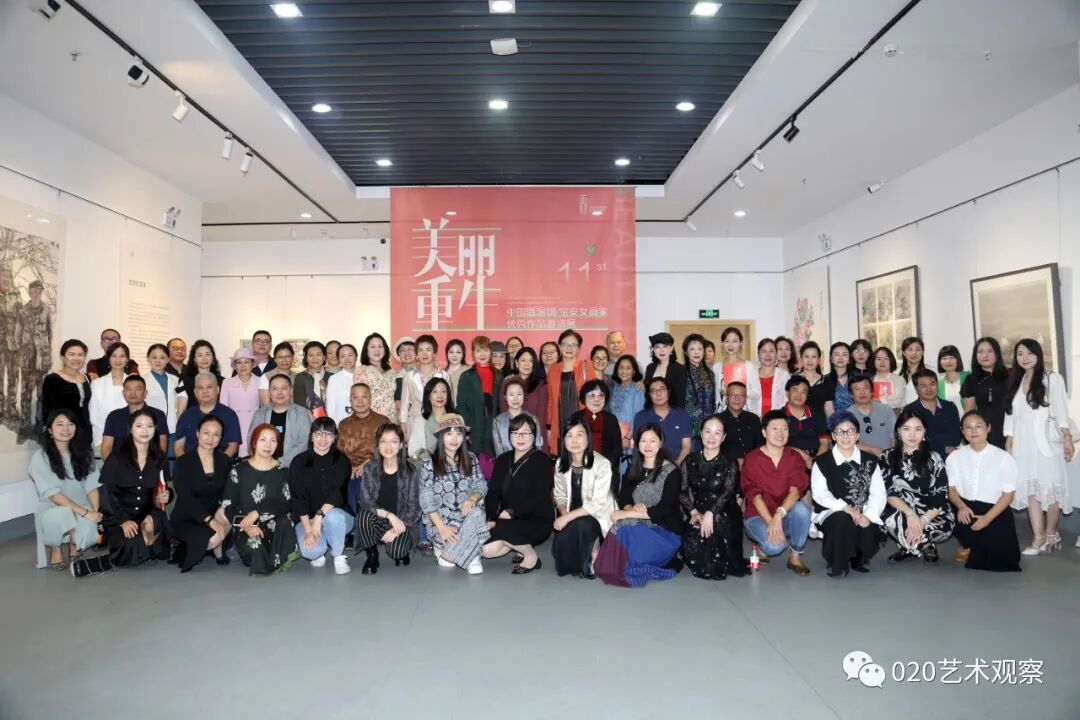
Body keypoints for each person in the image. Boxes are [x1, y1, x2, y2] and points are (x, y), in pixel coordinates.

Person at [1003, 339, 1074, 555]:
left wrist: (1067, 438)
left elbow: (1061, 411)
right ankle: (1038, 537)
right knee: (1031, 490)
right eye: (1020, 354)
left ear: (1038, 354)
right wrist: (1009, 441)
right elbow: (1011, 415)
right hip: (1023, 445)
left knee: (1051, 489)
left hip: (1046, 444)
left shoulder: (1052, 378)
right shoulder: (1016, 381)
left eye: (1029, 353)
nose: (1025, 358)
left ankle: (1051, 533)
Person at [596, 423, 683, 587]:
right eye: (643, 441)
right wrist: (630, 508)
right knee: (624, 525)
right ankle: (622, 562)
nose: (648, 445)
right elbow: (624, 497)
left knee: (625, 523)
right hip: (640, 525)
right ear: (637, 443)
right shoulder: (634, 467)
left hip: (665, 532)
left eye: (653, 441)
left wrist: (626, 514)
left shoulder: (672, 471)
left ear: (661, 442)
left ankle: (633, 562)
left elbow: (663, 509)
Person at [810, 411, 886, 577]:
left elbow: (878, 493)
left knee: (867, 534)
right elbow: (820, 494)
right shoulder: (822, 462)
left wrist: (869, 516)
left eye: (850, 431)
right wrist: (845, 507)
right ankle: (837, 562)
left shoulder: (870, 460)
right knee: (841, 521)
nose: (845, 436)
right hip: (833, 511)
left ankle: (858, 558)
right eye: (840, 431)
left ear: (857, 435)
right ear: (833, 436)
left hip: (863, 510)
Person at [947, 410, 1021, 571]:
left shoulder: (1004, 457)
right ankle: (967, 543)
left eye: (978, 426)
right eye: (968, 427)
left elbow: (1008, 495)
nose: (973, 431)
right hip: (966, 508)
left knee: (1002, 561)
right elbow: (951, 490)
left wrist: (987, 519)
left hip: (994, 510)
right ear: (962, 431)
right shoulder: (954, 457)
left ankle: (974, 545)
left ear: (988, 428)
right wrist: (961, 507)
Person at [740, 410, 812, 575]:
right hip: (758, 515)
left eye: (784, 429)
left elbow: (795, 492)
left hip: (784, 513)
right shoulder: (752, 459)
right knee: (774, 547)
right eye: (775, 428)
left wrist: (778, 516)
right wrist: (771, 521)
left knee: (802, 509)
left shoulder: (794, 457)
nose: (781, 433)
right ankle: (761, 546)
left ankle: (795, 558)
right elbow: (754, 496)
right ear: (764, 432)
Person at [29, 409, 101, 570]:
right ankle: (55, 549)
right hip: (53, 508)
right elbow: (54, 496)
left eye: (70, 424)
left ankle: (74, 545)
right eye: (59, 424)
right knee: (61, 515)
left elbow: (92, 486)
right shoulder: (40, 457)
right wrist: (85, 513)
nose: (66, 429)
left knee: (90, 531)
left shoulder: (84, 455)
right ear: (50, 430)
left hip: (82, 506)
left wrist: (95, 512)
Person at [879, 408, 954, 563]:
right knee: (887, 518)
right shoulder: (887, 456)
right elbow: (888, 493)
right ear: (898, 431)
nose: (912, 435)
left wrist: (922, 520)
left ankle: (908, 545)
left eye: (918, 429)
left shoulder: (934, 458)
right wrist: (911, 515)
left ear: (924, 432)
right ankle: (924, 545)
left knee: (943, 525)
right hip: (902, 512)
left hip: (932, 515)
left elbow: (941, 496)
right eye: (906, 429)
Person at [482, 414, 554, 573]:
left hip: (537, 518)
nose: (520, 437)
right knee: (487, 551)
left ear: (534, 436)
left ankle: (530, 557)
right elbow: (493, 492)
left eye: (526, 433)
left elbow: (539, 494)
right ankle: (520, 545)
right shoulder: (503, 459)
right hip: (507, 519)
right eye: (515, 433)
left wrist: (513, 511)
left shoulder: (542, 460)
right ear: (509, 436)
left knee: (501, 528)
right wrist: (490, 517)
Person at [223, 424, 299, 575]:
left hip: (275, 523)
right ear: (254, 443)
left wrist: (258, 512)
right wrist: (247, 526)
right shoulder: (238, 470)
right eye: (263, 440)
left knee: (285, 522)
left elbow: (286, 504)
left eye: (273, 441)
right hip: (246, 524)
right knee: (255, 548)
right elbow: (228, 505)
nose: (268, 445)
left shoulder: (283, 471)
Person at [99, 409, 171, 567]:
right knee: (129, 547)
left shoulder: (159, 459)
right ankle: (147, 545)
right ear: (131, 429)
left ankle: (147, 541)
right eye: (139, 426)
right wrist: (123, 520)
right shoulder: (116, 458)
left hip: (147, 513)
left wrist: (166, 495)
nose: (145, 430)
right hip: (119, 515)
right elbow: (106, 495)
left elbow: (164, 488)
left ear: (155, 429)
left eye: (150, 426)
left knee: (154, 522)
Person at [419, 414, 489, 574]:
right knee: (450, 552)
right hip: (441, 522)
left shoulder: (471, 458)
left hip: (465, 518)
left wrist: (473, 497)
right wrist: (442, 527)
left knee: (477, 512)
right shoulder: (429, 462)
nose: (454, 438)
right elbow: (426, 499)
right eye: (449, 433)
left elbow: (481, 484)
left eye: (458, 433)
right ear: (441, 436)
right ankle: (469, 552)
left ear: (464, 437)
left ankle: (460, 556)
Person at [680, 415, 748, 580]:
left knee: (717, 526)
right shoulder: (690, 460)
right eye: (708, 432)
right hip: (698, 510)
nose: (712, 437)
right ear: (701, 434)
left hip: (725, 510)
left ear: (723, 437)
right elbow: (682, 492)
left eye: (717, 433)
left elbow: (727, 493)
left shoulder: (729, 462)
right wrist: (693, 512)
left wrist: (711, 513)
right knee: (692, 549)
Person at [551, 416, 616, 578]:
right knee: (562, 548)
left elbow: (596, 504)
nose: (574, 441)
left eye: (579, 435)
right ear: (563, 440)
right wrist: (564, 514)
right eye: (569, 436)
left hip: (598, 514)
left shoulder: (602, 464)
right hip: (572, 512)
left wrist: (567, 518)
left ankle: (595, 553)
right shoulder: (560, 463)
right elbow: (560, 495)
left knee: (582, 525)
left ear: (588, 437)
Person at [354, 423, 423, 571]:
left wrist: (397, 528)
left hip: (402, 521)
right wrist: (389, 515)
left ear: (401, 445)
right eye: (383, 441)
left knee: (397, 553)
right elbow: (365, 501)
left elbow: (415, 508)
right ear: (378, 445)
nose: (388, 446)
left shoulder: (412, 471)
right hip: (379, 519)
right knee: (363, 516)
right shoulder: (370, 468)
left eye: (394, 441)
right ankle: (372, 555)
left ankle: (400, 545)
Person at [170, 415, 232, 573]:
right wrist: (209, 520)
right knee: (211, 538)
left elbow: (228, 492)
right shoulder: (183, 462)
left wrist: (220, 513)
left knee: (229, 512)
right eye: (206, 433)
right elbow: (185, 498)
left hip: (215, 515)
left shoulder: (224, 461)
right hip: (188, 517)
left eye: (216, 434)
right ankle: (186, 548)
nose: (211, 438)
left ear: (221, 438)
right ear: (197, 433)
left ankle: (217, 550)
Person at [290, 417, 353, 575]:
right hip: (308, 519)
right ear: (311, 437)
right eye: (318, 434)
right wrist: (308, 529)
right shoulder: (299, 462)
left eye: (328, 434)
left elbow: (336, 494)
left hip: (338, 517)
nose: (323, 439)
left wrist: (318, 518)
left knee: (332, 517)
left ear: (334, 438)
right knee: (311, 552)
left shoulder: (342, 460)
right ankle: (321, 548)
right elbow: (298, 498)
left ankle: (338, 555)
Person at [546, 329, 598, 451]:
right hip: (560, 424)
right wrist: (549, 427)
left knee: (581, 457)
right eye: (565, 344)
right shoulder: (553, 370)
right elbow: (551, 400)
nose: (569, 348)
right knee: (562, 458)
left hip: (582, 423)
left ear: (579, 348)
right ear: (560, 346)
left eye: (573, 345)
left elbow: (595, 398)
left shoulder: (586, 368)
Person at [399, 334, 449, 458]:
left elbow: (448, 402)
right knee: (416, 457)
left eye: (428, 349)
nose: (424, 353)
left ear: (435, 353)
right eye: (420, 350)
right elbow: (404, 404)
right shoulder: (409, 376)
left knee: (437, 456)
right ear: (417, 353)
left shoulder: (444, 375)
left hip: (438, 420)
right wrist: (403, 426)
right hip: (415, 419)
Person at [16, 279, 53, 442]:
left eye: (38, 291)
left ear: (41, 292)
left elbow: (50, 334)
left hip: (42, 361)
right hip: (27, 361)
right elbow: (17, 335)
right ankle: (24, 427)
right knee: (25, 394)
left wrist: (46, 352)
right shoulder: (23, 312)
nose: (36, 293)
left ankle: (40, 426)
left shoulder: (46, 310)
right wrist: (25, 350)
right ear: (30, 292)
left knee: (42, 394)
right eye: (33, 291)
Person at [173, 373, 241, 458]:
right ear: (195, 392)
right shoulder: (186, 415)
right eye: (200, 388)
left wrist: (221, 463)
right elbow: (178, 446)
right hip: (191, 463)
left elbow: (233, 446)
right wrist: (187, 463)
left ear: (218, 390)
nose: (205, 391)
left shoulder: (229, 415)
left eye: (209, 387)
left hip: (221, 463)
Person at [571, 380, 623, 492]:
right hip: (580, 471)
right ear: (584, 397)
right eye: (592, 395)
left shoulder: (611, 419)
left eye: (601, 395)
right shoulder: (575, 418)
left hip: (607, 471)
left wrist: (604, 468)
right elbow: (569, 447)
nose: (597, 399)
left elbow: (617, 449)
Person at [100, 376, 169, 460]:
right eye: (128, 389)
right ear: (123, 393)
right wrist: (111, 465)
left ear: (145, 393)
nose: (133, 393)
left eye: (138, 389)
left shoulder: (158, 415)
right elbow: (106, 447)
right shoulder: (114, 416)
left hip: (149, 464)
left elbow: (162, 446)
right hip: (118, 464)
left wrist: (150, 466)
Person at [40, 339, 92, 450]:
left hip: (84, 431)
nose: (76, 358)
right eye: (72, 354)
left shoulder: (87, 378)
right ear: (63, 357)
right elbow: (47, 409)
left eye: (80, 355)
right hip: (63, 432)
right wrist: (50, 432)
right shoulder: (52, 379)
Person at [249, 374, 311, 465]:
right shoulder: (260, 414)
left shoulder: (301, 413)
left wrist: (280, 463)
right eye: (275, 389)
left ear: (291, 391)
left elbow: (303, 443)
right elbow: (252, 439)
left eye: (284, 388)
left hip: (293, 466)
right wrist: (265, 462)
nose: (279, 392)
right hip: (263, 465)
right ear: (269, 393)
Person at [456, 335, 501, 460]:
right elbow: (461, 405)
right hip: (474, 426)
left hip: (493, 425)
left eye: (485, 350)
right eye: (478, 350)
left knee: (492, 460)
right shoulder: (466, 376)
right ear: (473, 354)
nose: (482, 354)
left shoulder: (499, 375)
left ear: (490, 352)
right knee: (473, 460)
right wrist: (466, 429)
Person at [961, 337, 1009, 449]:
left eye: (989, 351)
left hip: (1010, 431)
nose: (985, 355)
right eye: (980, 352)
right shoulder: (971, 379)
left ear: (997, 353)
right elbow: (969, 413)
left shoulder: (1010, 375)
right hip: (984, 434)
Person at [633, 377, 691, 466]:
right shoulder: (640, 417)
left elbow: (686, 446)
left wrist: (677, 464)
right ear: (649, 395)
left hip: (678, 465)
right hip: (650, 466)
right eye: (653, 391)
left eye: (662, 389)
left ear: (669, 392)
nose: (658, 394)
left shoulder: (682, 415)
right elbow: (638, 446)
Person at [903, 369, 961, 457]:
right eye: (923, 386)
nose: (929, 389)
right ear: (916, 389)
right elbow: (912, 440)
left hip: (949, 458)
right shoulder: (910, 410)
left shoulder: (950, 407)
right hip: (921, 458)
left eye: (932, 384)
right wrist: (944, 448)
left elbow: (956, 439)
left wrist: (929, 438)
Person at [338, 383, 390, 477]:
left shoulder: (383, 422)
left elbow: (390, 449)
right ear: (350, 400)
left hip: (377, 472)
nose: (360, 401)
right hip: (351, 474)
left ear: (370, 399)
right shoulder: (344, 425)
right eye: (355, 397)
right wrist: (348, 468)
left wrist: (370, 463)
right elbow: (339, 453)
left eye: (364, 397)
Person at [88, 342, 132, 454]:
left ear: (127, 359)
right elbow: (94, 415)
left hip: (129, 440)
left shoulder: (134, 384)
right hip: (102, 439)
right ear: (108, 358)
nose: (118, 360)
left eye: (122, 356)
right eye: (114, 356)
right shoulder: (97, 384)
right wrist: (104, 439)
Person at [219, 347, 261, 456]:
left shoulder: (260, 381)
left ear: (252, 364)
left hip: (255, 426)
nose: (243, 365)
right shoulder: (227, 382)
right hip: (233, 427)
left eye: (246, 362)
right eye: (239, 362)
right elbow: (223, 409)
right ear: (235, 365)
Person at [782, 375, 830, 468]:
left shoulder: (817, 413)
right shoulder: (778, 416)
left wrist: (815, 462)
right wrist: (800, 454)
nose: (799, 395)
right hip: (789, 460)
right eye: (795, 390)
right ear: (787, 393)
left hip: (817, 457)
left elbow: (824, 441)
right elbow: (775, 445)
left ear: (807, 396)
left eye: (803, 392)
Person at [143, 344, 186, 443]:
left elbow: (182, 401)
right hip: (151, 428)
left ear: (168, 359)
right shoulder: (142, 381)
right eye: (154, 357)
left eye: (162, 358)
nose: (158, 361)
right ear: (148, 359)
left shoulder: (176, 380)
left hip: (173, 427)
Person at [492, 377, 545, 456]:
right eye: (511, 394)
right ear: (505, 397)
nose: (515, 398)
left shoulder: (533, 419)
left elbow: (538, 446)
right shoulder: (498, 421)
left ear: (524, 395)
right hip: (506, 462)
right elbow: (499, 451)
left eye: (519, 394)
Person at [847, 374, 895, 457]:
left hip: (887, 458)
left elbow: (895, 437)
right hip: (860, 460)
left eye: (866, 388)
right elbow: (846, 442)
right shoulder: (847, 416)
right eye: (857, 389)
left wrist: (892, 457)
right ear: (851, 394)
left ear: (872, 392)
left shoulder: (886, 410)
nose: (862, 392)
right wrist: (873, 450)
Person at [714, 327, 759, 413]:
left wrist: (737, 392)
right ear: (722, 343)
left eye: (735, 341)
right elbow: (716, 395)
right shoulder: (717, 367)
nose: (730, 345)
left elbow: (757, 393)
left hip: (744, 412)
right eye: (727, 341)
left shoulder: (748, 366)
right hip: (723, 412)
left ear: (741, 343)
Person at [498, 347, 548, 424]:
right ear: (516, 363)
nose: (527, 364)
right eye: (523, 360)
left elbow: (541, 415)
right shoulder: (507, 382)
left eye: (531, 361)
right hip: (511, 427)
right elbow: (503, 410)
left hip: (533, 429)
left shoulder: (541, 384)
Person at [355, 333, 397, 419]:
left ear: (385, 349)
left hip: (392, 420)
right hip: (370, 420)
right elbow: (359, 399)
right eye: (372, 347)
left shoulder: (392, 372)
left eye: (380, 346)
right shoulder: (361, 371)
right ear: (366, 350)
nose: (377, 350)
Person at [719, 381, 762, 464]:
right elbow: (712, 450)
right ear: (727, 398)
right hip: (726, 468)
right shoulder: (717, 421)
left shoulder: (754, 419)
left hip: (753, 466)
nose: (737, 399)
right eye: (733, 395)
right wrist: (734, 462)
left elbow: (760, 447)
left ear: (746, 399)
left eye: (741, 396)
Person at [609, 354, 644, 455]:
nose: (624, 371)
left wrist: (628, 436)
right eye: (621, 367)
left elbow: (638, 415)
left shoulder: (637, 389)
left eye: (628, 368)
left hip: (629, 438)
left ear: (634, 371)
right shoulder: (614, 388)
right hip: (614, 436)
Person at [681, 333, 714, 439]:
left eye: (700, 348)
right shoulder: (680, 372)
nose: (696, 352)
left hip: (709, 426)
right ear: (686, 352)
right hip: (688, 426)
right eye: (692, 349)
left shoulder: (710, 373)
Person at [644, 331, 687, 410]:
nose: (661, 350)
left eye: (665, 346)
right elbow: (647, 393)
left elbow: (681, 397)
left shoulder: (680, 369)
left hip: (672, 412)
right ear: (653, 349)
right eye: (657, 347)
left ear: (671, 348)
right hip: (652, 411)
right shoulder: (650, 368)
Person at [180, 340, 223, 407]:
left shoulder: (222, 381)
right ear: (194, 359)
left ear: (213, 357)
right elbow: (181, 409)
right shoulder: (185, 381)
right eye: (200, 355)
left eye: (207, 354)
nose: (204, 358)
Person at [420, 377, 454, 459]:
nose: (440, 396)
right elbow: (414, 451)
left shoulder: (456, 418)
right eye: (435, 391)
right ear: (428, 396)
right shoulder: (420, 420)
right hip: (428, 462)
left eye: (443, 391)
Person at [754, 338, 789, 417]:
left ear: (776, 354)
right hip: (754, 420)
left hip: (778, 419)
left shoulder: (784, 375)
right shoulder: (751, 374)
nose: (768, 355)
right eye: (764, 351)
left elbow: (788, 401)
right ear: (758, 354)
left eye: (771, 351)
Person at [325, 343, 359, 423]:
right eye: (343, 356)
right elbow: (331, 408)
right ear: (339, 359)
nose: (347, 359)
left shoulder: (365, 376)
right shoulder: (334, 379)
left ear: (356, 357)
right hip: (342, 423)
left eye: (350, 355)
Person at [293, 340, 329, 415]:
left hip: (331, 419)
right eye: (311, 355)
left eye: (318, 354)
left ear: (324, 357)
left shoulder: (330, 376)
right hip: (307, 419)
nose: (315, 358)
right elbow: (299, 405)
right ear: (306, 358)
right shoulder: (301, 377)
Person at [257, 342, 296, 406]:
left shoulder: (298, 377)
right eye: (280, 357)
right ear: (275, 359)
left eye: (288, 356)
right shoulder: (266, 377)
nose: (284, 360)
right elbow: (266, 405)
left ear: (292, 358)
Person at [822, 341, 853, 417]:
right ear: (831, 359)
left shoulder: (856, 379)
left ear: (849, 359)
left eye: (844, 354)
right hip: (834, 420)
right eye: (837, 354)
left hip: (856, 419)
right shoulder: (825, 380)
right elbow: (828, 406)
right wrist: (835, 422)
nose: (840, 358)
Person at [796, 340, 829, 412]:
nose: (810, 360)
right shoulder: (793, 379)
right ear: (801, 359)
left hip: (820, 418)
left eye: (813, 357)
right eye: (806, 356)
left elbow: (829, 407)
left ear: (819, 360)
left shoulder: (826, 380)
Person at [871, 346, 907, 411]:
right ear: (874, 361)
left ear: (891, 361)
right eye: (878, 359)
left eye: (886, 359)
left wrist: (878, 400)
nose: (882, 362)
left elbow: (897, 401)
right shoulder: (869, 381)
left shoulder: (899, 380)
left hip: (894, 414)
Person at [936, 345, 969, 416]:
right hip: (949, 421)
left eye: (952, 357)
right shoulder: (939, 384)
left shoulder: (968, 377)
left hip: (969, 421)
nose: (948, 361)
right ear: (940, 362)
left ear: (958, 359)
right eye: (944, 358)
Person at [899, 336, 927, 404]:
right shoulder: (897, 374)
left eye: (917, 349)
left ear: (922, 352)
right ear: (904, 353)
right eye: (910, 350)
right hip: (903, 410)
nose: (914, 353)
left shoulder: (931, 372)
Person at [444, 338, 468, 404]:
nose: (454, 355)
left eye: (458, 352)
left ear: (463, 354)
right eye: (451, 352)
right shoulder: (441, 373)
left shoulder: (469, 371)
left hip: (464, 408)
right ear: (447, 354)